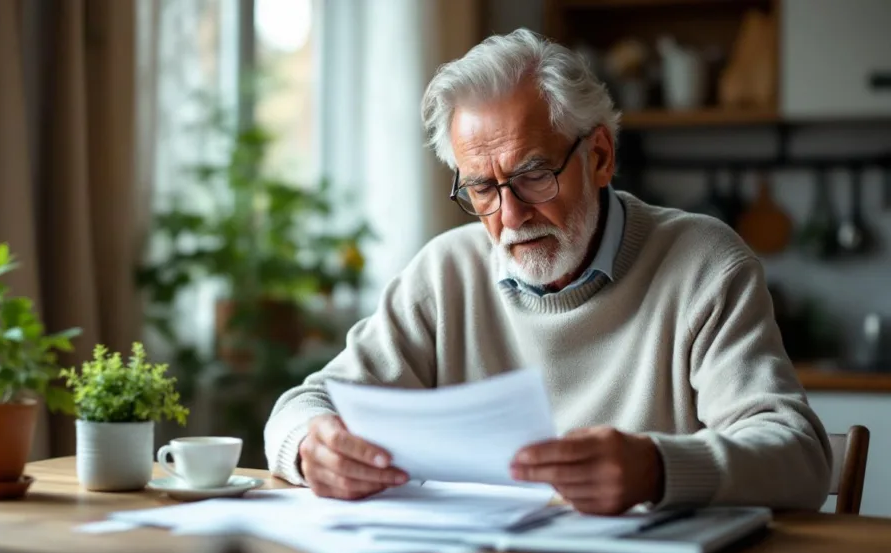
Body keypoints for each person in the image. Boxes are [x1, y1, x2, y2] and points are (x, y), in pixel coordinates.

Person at [263, 28, 832, 515]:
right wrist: (312, 447)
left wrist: (658, 468)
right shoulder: (445, 272)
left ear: (600, 156)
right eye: (482, 188)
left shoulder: (704, 263)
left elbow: (800, 457)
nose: (510, 216)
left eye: (534, 175)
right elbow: (305, 405)